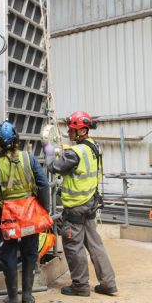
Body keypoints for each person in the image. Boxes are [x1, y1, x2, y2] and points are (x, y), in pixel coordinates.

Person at [47, 111, 118, 297]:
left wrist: (49, 151)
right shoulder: (94, 146)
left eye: (73, 130)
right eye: (70, 129)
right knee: (95, 245)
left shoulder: (74, 152)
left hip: (76, 207)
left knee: (73, 246)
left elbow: (54, 167)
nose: (69, 132)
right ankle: (109, 284)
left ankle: (80, 286)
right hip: (90, 203)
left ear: (83, 130)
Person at [0, 121, 49, 303]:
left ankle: (13, 298)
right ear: (16, 139)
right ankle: (27, 296)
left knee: (8, 255)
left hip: (6, 217)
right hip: (29, 216)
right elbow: (43, 185)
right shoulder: (29, 158)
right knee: (30, 253)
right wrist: (44, 210)